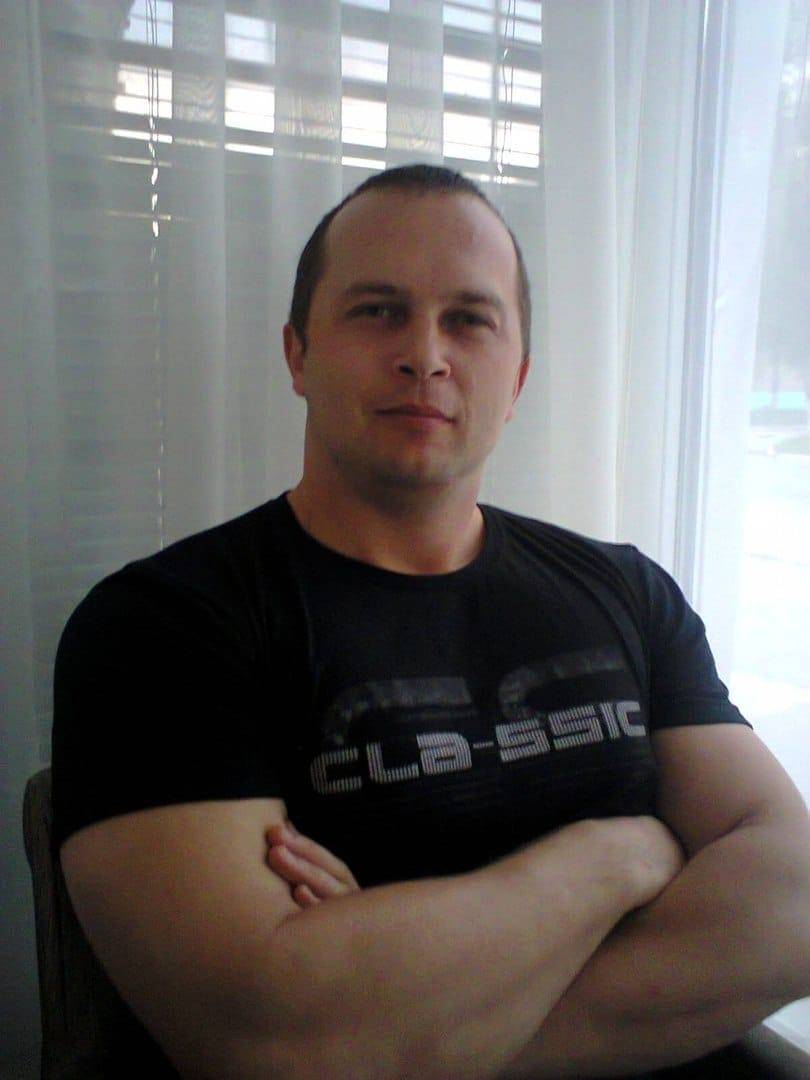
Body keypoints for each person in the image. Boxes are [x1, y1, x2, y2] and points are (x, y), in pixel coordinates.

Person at [52, 164, 810, 1080]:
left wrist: (404, 1032)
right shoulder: (163, 627)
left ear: (517, 378)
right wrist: (618, 856)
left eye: (469, 319)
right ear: (298, 354)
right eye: (378, 311)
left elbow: (795, 897)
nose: (425, 355)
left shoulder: (628, 592)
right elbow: (269, 1041)